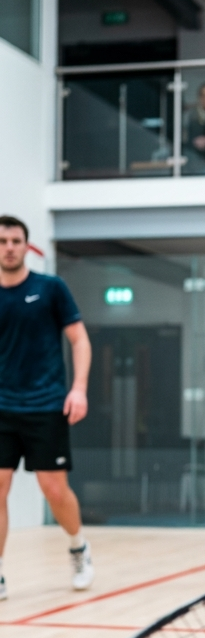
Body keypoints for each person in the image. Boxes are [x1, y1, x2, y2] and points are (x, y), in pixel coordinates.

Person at [0, 216, 94, 597]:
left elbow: (80, 340)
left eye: (15, 240)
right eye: (3, 241)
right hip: (2, 408)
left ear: (27, 246)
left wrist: (80, 389)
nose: (8, 247)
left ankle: (78, 547)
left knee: (53, 489)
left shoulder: (50, 288)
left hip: (45, 405)